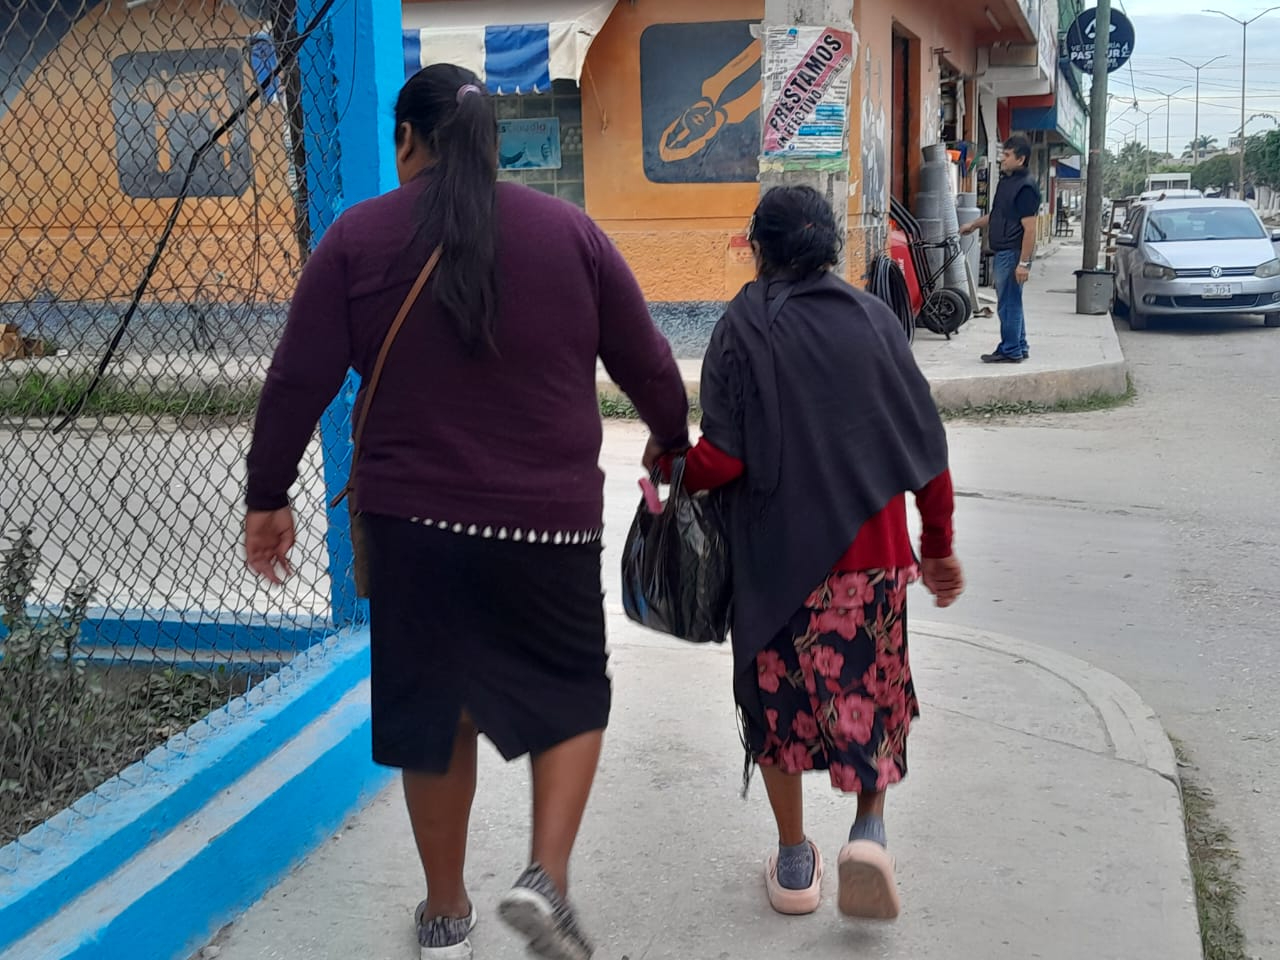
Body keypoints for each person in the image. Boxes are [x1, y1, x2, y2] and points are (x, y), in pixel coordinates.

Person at [244, 63, 689, 960]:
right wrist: (671, 442)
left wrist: (268, 497)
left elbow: (297, 378)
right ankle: (545, 881)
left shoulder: (357, 239)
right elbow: (647, 361)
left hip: (416, 529)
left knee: (436, 717)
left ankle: (446, 914)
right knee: (570, 695)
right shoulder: (572, 233)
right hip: (550, 524)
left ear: (407, 138)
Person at [653, 185, 964, 922]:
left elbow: (723, 461)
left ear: (757, 248)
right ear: (829, 245)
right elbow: (925, 445)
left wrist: (673, 471)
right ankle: (868, 832)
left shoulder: (740, 327)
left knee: (779, 713)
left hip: (778, 569)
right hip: (873, 558)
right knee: (871, 701)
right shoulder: (876, 320)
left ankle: (795, 862)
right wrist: (938, 544)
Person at [960, 135, 1040, 363]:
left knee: (1008, 304)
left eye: (1007, 155)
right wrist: (973, 225)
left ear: (1021, 159)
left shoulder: (1026, 188)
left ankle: (1010, 350)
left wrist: (1024, 263)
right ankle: (1019, 345)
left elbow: (1030, 229)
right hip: (1003, 251)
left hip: (1012, 253)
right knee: (1012, 301)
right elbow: (997, 215)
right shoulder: (1007, 182)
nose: (1002, 160)